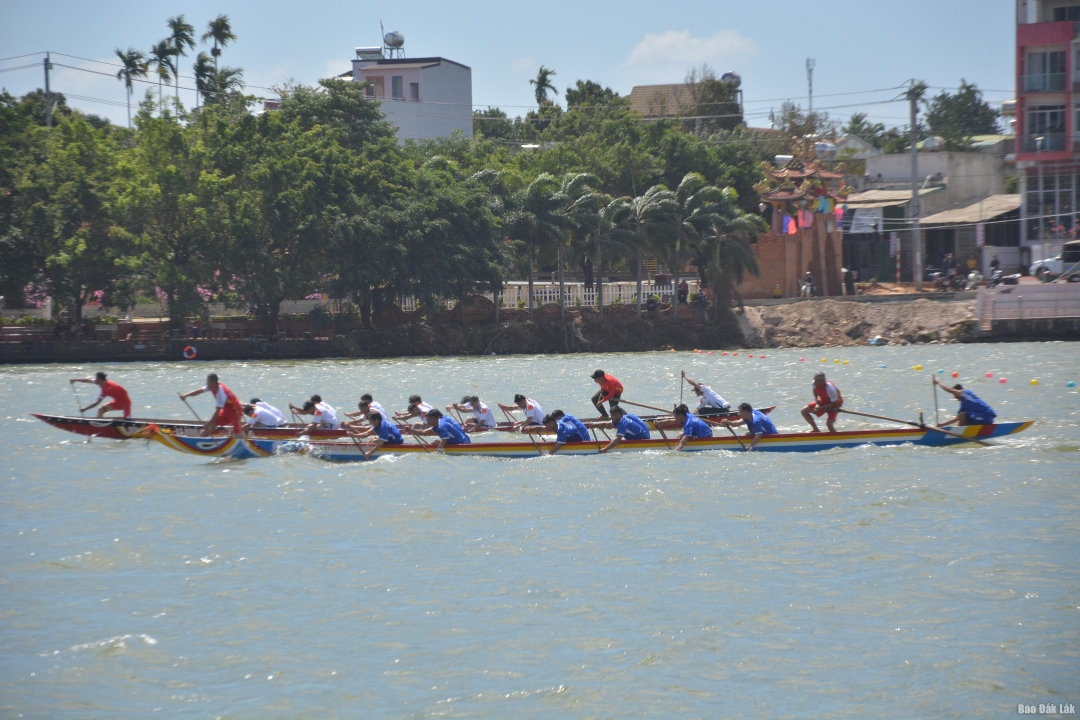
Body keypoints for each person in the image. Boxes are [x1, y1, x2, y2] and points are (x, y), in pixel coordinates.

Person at [179, 373, 244, 436]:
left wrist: (209, 423)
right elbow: (200, 391)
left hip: (235, 412)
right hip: (225, 411)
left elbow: (217, 411)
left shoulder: (221, 393)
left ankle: (246, 444)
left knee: (237, 433)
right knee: (210, 427)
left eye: (208, 382)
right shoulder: (212, 386)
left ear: (213, 383)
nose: (207, 384)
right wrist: (186, 395)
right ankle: (200, 440)